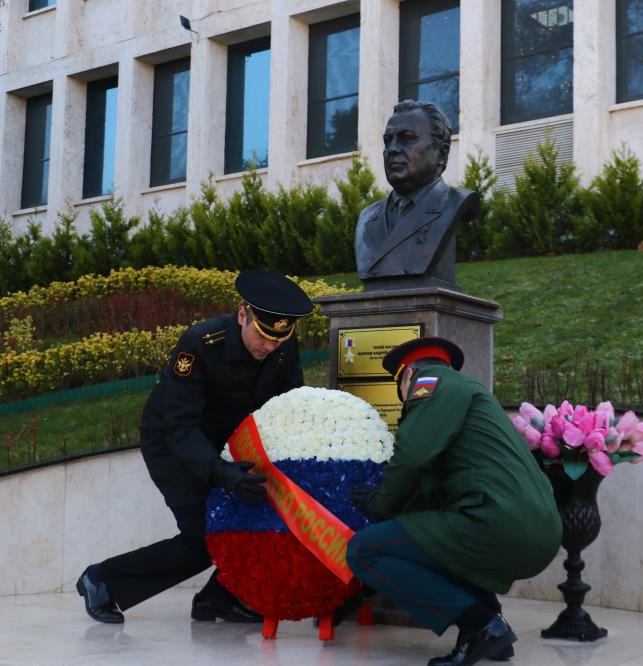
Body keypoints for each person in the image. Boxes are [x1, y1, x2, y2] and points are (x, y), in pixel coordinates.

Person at [76, 269, 314, 624]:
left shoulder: (282, 346)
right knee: (203, 538)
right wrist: (221, 473)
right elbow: (180, 426)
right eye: (263, 336)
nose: (269, 346)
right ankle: (103, 580)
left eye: (278, 340)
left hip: (227, 444)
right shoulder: (200, 345)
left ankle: (218, 599)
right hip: (173, 445)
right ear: (241, 315)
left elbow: (288, 405)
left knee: (256, 518)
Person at [347, 337, 562, 666]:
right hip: (537, 529)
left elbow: (412, 454)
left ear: (407, 376)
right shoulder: (471, 391)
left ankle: (480, 626)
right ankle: (493, 632)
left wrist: (381, 502)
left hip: (495, 521)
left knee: (364, 550)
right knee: (438, 542)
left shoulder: (431, 384)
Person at [354, 100, 480, 291]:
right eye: (388, 141)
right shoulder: (367, 217)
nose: (393, 149)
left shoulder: (453, 203)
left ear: (441, 153)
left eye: (407, 138)